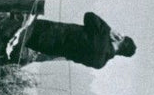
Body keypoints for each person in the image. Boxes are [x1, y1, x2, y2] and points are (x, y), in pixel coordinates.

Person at [7, 10, 137, 70]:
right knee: (15, 39)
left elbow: (89, 16)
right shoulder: (100, 63)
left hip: (51, 30)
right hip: (50, 49)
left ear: (120, 40)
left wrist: (109, 30)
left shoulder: (103, 35)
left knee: (17, 26)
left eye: (121, 36)